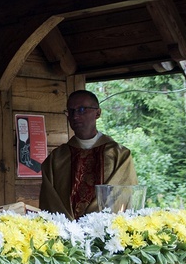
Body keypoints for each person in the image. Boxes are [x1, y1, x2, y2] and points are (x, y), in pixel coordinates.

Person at [38, 89, 138, 219]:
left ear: (98, 113)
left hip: (104, 231)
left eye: (81, 109)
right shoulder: (56, 158)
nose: (75, 116)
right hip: (65, 233)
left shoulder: (119, 155)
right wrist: (69, 229)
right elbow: (50, 201)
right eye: (70, 111)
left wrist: (91, 223)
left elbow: (122, 195)